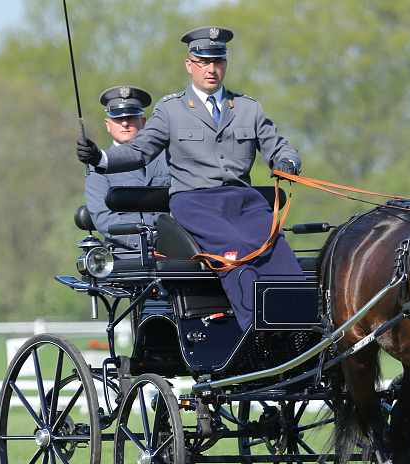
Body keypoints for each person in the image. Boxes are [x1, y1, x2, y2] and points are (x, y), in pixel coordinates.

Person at [77, 26, 303, 331]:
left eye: (218, 61)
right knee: (235, 249)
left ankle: (301, 328)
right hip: (195, 202)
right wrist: (99, 158)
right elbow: (140, 151)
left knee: (276, 249)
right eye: (203, 62)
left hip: (245, 202)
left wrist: (287, 161)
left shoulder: (249, 108)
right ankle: (259, 330)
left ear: (225, 64)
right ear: (189, 65)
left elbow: (277, 145)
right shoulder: (171, 110)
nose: (211, 69)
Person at [84, 85, 171, 251]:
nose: (124, 123)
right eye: (117, 119)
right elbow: (104, 218)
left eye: (131, 117)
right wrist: (146, 240)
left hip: (174, 251)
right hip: (126, 256)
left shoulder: (168, 158)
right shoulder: (99, 164)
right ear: (108, 125)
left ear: (143, 122)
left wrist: (172, 239)